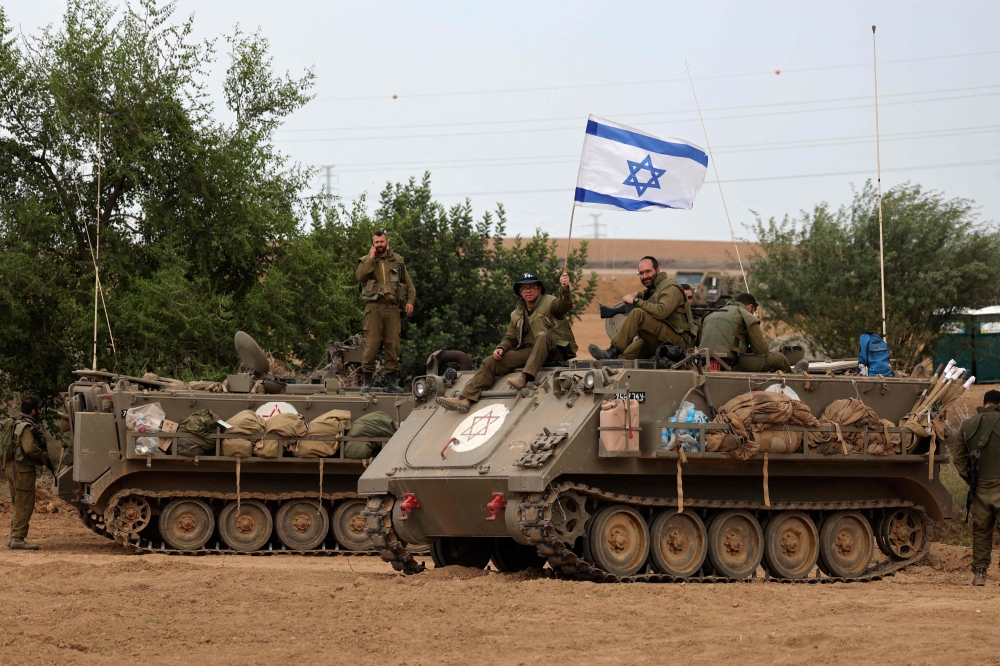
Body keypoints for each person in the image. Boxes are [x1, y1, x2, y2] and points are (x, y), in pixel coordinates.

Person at [437, 271, 576, 413]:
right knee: (491, 361)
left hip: (553, 351)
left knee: (542, 336)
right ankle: (465, 399)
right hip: (530, 351)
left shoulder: (549, 302)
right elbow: (511, 337)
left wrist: (564, 289)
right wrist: (501, 348)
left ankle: (524, 377)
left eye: (532, 287)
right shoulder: (517, 314)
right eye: (524, 288)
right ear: (520, 291)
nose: (528, 291)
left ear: (539, 289)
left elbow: (564, 305)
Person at [589, 256, 693, 360]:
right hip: (659, 337)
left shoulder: (670, 287)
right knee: (623, 359)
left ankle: (613, 352)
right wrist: (636, 294)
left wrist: (635, 301)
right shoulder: (654, 290)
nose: (645, 276)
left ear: (658, 270)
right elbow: (649, 295)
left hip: (679, 341)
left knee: (638, 313)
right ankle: (612, 359)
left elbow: (662, 312)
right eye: (641, 273)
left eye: (648, 271)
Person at [355, 230, 416, 393]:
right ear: (373, 244)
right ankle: (367, 382)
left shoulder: (397, 261)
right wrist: (371, 258)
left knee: (392, 345)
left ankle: (392, 383)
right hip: (374, 308)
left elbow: (409, 284)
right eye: (377, 242)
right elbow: (360, 276)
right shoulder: (367, 260)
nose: (380, 245)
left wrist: (410, 301)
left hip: (392, 308)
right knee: (372, 345)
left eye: (382, 242)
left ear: (387, 242)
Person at [954, 389, 1000, 586]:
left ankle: (980, 574)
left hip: (980, 488)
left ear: (985, 402)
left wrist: (972, 481)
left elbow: (958, 459)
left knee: (981, 531)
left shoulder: (967, 425)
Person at [698, 293, 791, 372]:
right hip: (730, 364)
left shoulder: (712, 314)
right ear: (750, 307)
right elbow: (762, 351)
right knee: (780, 359)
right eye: (753, 311)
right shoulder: (746, 315)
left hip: (703, 362)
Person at [3, 397, 48, 550]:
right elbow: (29, 448)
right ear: (33, 411)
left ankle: (13, 536)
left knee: (18, 503)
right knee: (25, 503)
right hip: (23, 469)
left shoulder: (14, 423)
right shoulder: (26, 427)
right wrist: (42, 455)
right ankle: (17, 538)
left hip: (10, 466)